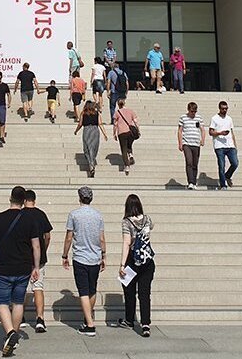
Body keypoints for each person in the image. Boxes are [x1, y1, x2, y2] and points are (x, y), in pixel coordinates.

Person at [0, 186, 41, 357]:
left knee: (3, 302)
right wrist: (36, 266)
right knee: (18, 302)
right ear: (24, 201)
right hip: (23, 267)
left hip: (4, 266)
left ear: (10, 198)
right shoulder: (29, 220)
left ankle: (10, 333)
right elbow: (36, 245)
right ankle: (13, 336)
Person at [62, 186, 105, 336]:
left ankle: (90, 324)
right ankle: (88, 318)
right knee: (92, 289)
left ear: (80, 197)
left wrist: (64, 255)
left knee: (83, 291)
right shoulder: (98, 215)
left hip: (80, 257)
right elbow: (101, 238)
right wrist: (104, 255)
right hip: (95, 257)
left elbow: (69, 237)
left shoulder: (74, 214)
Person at [117, 194, 155, 337]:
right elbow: (151, 228)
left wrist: (122, 265)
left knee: (129, 291)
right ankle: (145, 324)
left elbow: (126, 243)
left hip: (132, 260)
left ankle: (129, 319)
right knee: (145, 293)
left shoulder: (126, 222)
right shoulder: (147, 219)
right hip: (147, 261)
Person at [22, 189, 53, 334]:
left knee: (21, 287)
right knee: (38, 287)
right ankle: (40, 319)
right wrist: (43, 249)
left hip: (22, 256)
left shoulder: (20, 214)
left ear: (24, 200)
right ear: (34, 200)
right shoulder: (41, 214)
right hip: (38, 257)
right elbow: (48, 236)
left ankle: (20, 317)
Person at [74, 100, 109, 178]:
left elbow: (80, 124)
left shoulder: (83, 113)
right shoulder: (97, 113)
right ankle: (92, 162)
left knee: (86, 148)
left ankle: (91, 164)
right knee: (94, 147)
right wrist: (104, 134)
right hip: (95, 130)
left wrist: (76, 131)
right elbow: (100, 124)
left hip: (86, 130)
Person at [177, 102, 207, 190]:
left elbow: (202, 129)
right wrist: (180, 143)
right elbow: (180, 131)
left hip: (196, 143)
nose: (193, 113)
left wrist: (203, 139)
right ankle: (190, 182)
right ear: (188, 110)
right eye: (192, 111)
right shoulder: (183, 118)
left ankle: (194, 182)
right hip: (187, 143)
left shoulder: (198, 118)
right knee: (189, 162)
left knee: (195, 163)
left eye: (195, 111)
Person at [209, 101, 239, 189]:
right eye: (223, 109)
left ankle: (227, 176)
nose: (225, 110)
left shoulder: (229, 119)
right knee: (221, 166)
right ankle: (223, 185)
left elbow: (232, 132)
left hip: (230, 145)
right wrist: (220, 133)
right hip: (219, 146)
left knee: (235, 163)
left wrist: (235, 145)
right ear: (219, 108)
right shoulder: (214, 118)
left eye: (226, 108)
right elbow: (210, 132)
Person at [113, 96, 139, 176]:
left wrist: (114, 133)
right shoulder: (130, 111)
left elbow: (115, 124)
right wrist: (138, 130)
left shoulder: (117, 113)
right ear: (124, 103)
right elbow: (136, 121)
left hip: (121, 132)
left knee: (124, 149)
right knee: (129, 145)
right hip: (130, 132)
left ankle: (127, 166)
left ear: (118, 104)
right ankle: (130, 155)